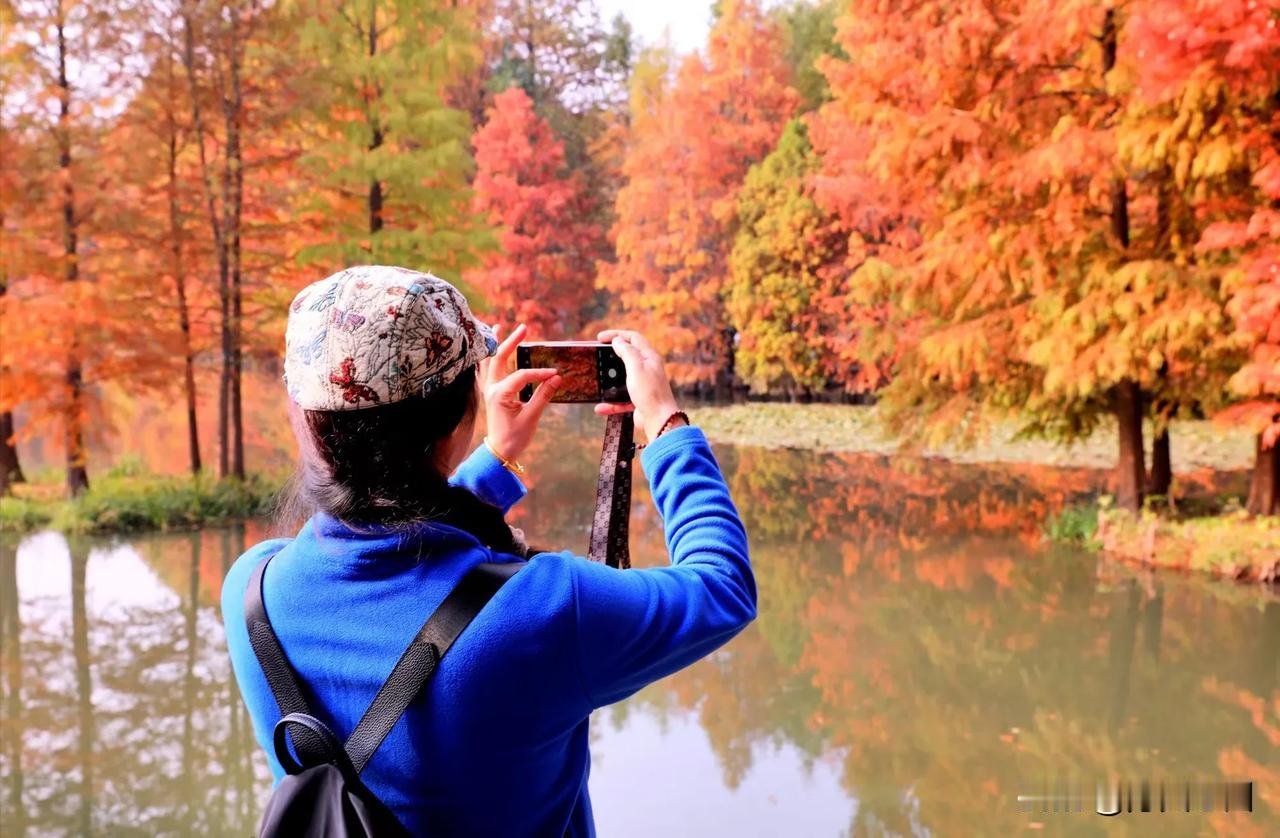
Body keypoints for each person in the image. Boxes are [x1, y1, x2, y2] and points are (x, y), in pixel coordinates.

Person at [222, 265, 755, 836]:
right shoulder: (544, 610)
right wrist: (664, 424)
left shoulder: (253, 592)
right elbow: (722, 587)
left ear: (307, 421)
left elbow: (399, 548)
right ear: (457, 421)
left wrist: (498, 459)